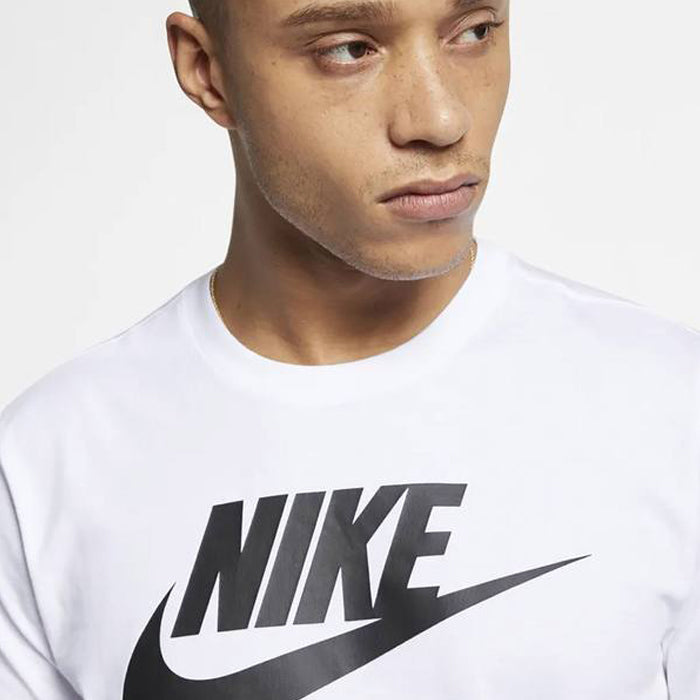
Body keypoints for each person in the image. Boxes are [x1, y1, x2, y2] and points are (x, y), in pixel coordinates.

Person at [0, 0, 698, 698]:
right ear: (207, 70)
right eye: (347, 49)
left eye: (473, 32)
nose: (440, 119)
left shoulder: (669, 407)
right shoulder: (47, 466)